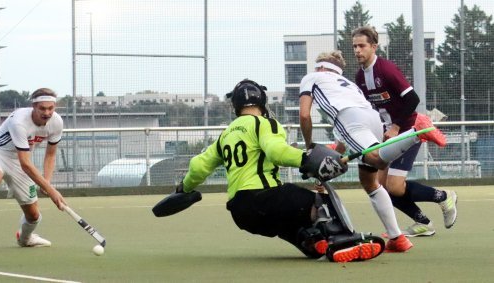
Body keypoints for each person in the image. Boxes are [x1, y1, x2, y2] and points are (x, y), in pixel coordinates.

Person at [173, 79, 385, 263]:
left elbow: (198, 166)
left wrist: (185, 187)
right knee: (319, 203)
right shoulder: (264, 123)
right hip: (263, 197)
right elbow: (276, 152)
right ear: (262, 101)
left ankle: (313, 241)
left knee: (288, 222)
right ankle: (342, 241)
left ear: (235, 106)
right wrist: (306, 159)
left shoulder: (225, 135)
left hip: (240, 212)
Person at [298, 50, 441, 252]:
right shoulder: (348, 85)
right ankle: (397, 238)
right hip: (372, 118)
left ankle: (416, 133)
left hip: (350, 119)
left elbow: (304, 115)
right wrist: (338, 151)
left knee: (377, 160)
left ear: (321, 67)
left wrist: (309, 146)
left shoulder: (312, 77)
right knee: (370, 182)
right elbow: (346, 135)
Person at [352, 26, 457, 237]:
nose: (357, 50)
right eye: (354, 46)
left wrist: (396, 126)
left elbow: (413, 99)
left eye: (361, 46)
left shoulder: (386, 70)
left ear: (373, 46)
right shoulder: (360, 78)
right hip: (386, 134)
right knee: (379, 186)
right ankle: (423, 223)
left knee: (394, 186)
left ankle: (443, 196)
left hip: (409, 131)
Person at [0, 88, 67, 247]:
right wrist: (51, 190)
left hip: (19, 162)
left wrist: (47, 181)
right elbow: (26, 163)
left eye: (50, 108)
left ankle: (25, 239)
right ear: (34, 106)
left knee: (33, 215)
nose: (47, 112)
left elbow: (51, 154)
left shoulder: (57, 122)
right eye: (42, 108)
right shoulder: (19, 120)